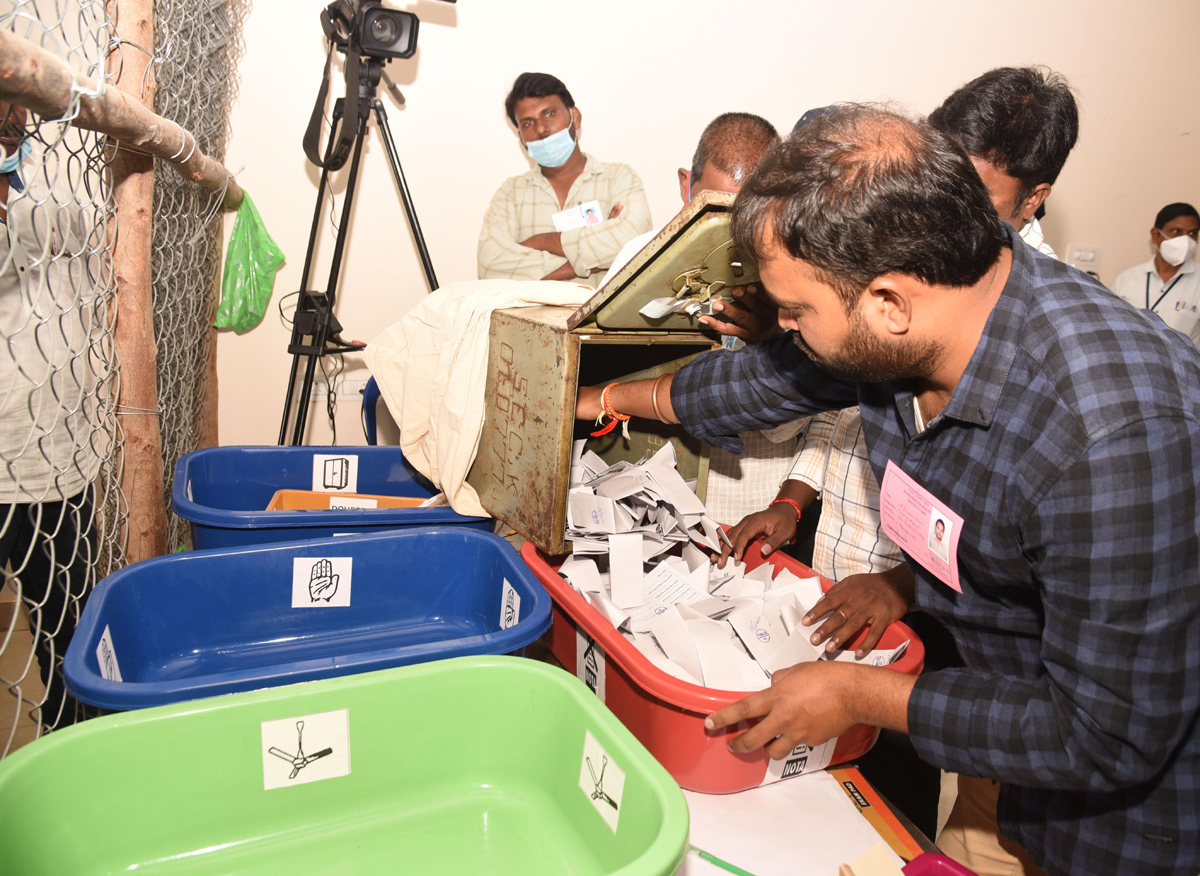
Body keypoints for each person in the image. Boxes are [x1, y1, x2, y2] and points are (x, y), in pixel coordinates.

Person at [578, 105, 1199, 876]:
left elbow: (1108, 736)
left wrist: (858, 696)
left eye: (797, 312)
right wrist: (597, 402)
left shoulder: (1114, 432)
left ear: (888, 303)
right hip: (997, 742)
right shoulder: (926, 305)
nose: (786, 329)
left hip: (1125, 826)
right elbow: (756, 383)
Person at [0, 99, 102, 731]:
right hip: (17, 431)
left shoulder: (54, 167)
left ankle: (77, 748)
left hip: (54, 449)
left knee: (66, 631)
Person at [477, 72, 652, 287]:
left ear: (574, 117)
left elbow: (634, 241)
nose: (541, 129)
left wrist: (539, 242)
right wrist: (598, 257)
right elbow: (491, 266)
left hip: (602, 319)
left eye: (549, 114)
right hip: (531, 319)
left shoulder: (619, 177)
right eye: (528, 123)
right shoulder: (510, 193)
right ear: (521, 138)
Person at [929, 66, 1078, 258]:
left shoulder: (1042, 286)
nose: (949, 205)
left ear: (1032, 200)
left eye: (977, 195)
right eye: (943, 180)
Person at [1110, 203, 1200, 346]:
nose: (1186, 240)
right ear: (1155, 234)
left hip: (1183, 367)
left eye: (1192, 233)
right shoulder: (1127, 279)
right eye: (1176, 231)